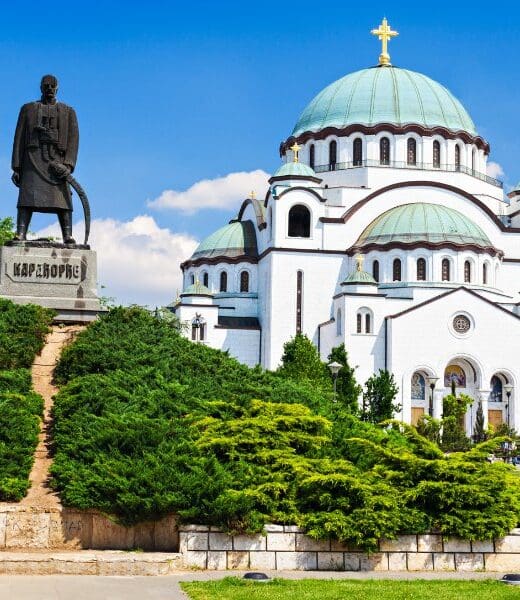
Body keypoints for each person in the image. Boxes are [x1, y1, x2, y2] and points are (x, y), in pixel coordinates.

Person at [11, 74, 79, 243]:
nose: (49, 89)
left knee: (63, 199)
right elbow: (18, 138)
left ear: (57, 88)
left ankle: (67, 235)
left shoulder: (68, 112)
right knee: (27, 197)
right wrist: (17, 167)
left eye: (52, 86)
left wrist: (68, 166)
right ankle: (21, 233)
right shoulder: (28, 109)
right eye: (46, 86)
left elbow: (73, 140)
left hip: (58, 162)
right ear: (41, 88)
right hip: (32, 160)